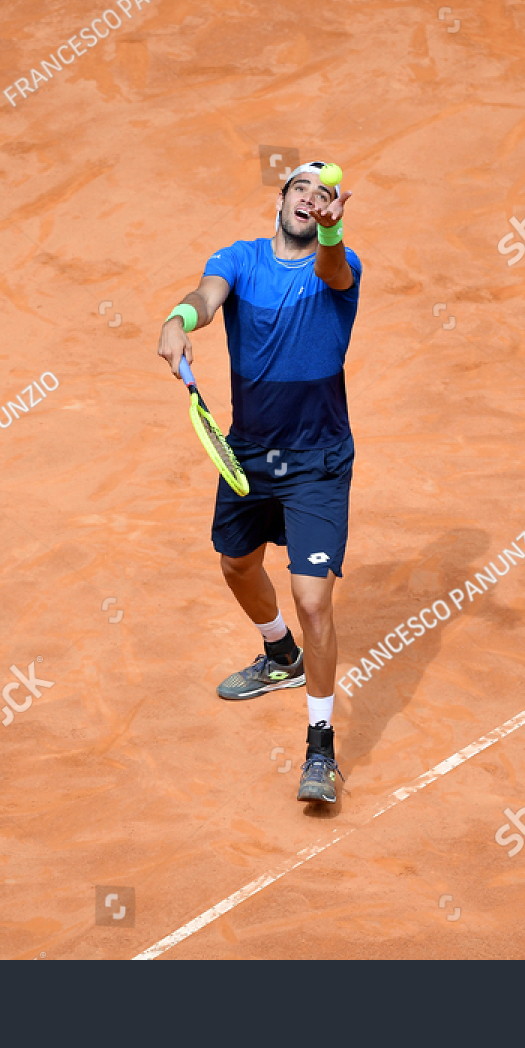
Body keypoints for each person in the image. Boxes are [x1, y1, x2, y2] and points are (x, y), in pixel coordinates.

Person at [156, 161, 361, 803]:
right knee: (237, 566)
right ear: (280, 201)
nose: (311, 199)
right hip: (248, 453)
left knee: (313, 599)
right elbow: (206, 298)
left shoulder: (339, 266)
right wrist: (177, 321)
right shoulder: (239, 259)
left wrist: (331, 235)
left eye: (323, 195)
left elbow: (334, 269)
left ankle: (320, 750)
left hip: (318, 459)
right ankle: (280, 657)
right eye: (301, 189)